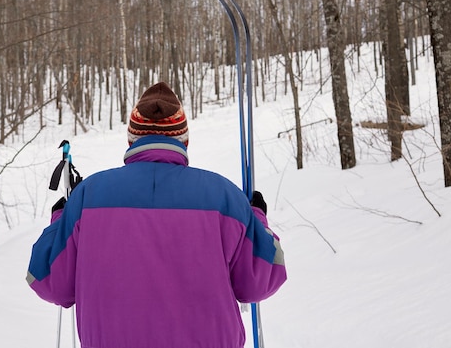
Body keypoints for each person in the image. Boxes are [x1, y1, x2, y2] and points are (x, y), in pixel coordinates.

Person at [26, 82, 286, 348]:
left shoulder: (88, 197)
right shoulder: (225, 197)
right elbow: (261, 280)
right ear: (183, 140)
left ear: (131, 139)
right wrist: (257, 218)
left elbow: (48, 281)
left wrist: (60, 219)